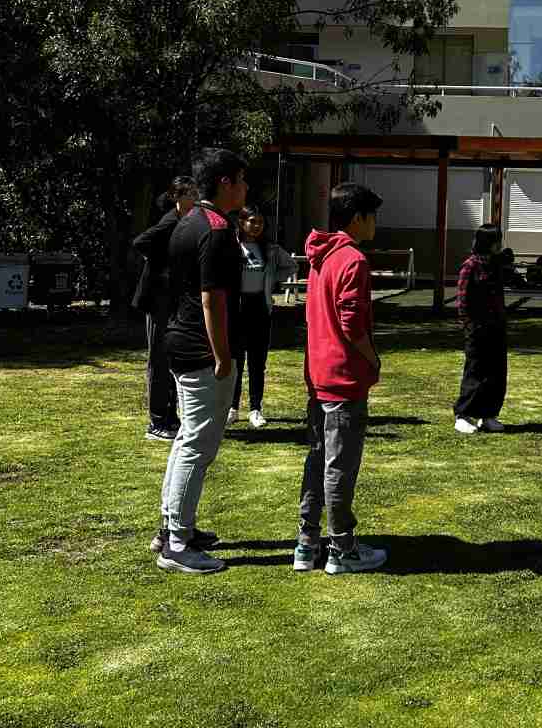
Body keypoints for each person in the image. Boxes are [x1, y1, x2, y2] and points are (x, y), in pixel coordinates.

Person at [153, 148, 248, 575]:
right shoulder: (217, 228)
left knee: (186, 439)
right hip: (200, 348)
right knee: (198, 444)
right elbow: (212, 298)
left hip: (178, 339)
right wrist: (223, 355)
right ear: (224, 182)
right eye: (241, 180)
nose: (246, 188)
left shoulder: (186, 220)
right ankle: (177, 541)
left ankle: (171, 526)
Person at [294, 182, 388, 575]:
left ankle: (306, 543)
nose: (375, 224)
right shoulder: (352, 260)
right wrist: (373, 359)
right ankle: (343, 549)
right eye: (372, 216)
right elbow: (351, 324)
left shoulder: (321, 255)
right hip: (342, 378)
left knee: (318, 461)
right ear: (357, 218)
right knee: (339, 466)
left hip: (319, 373)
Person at [132, 175, 197, 442]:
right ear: (176, 197)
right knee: (159, 359)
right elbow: (140, 242)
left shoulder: (185, 223)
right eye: (189, 194)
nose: (194, 198)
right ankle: (157, 421)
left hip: (170, 300)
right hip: (157, 299)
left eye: (196, 193)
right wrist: (160, 265)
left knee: (170, 357)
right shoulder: (170, 222)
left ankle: (171, 417)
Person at [228, 205, 296, 429]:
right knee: (235, 361)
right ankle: (232, 407)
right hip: (237, 309)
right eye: (251, 221)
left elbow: (291, 265)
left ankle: (255, 409)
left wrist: (272, 278)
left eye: (260, 222)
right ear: (241, 222)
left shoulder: (270, 249)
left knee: (258, 362)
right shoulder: (231, 246)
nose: (255, 226)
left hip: (260, 308)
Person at [453, 224, 509, 434]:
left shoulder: (495, 265)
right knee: (475, 373)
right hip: (477, 330)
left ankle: (488, 415)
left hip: (497, 327)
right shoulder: (470, 266)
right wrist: (470, 326)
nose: (499, 244)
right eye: (497, 240)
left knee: (496, 374)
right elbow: (462, 300)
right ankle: (463, 414)